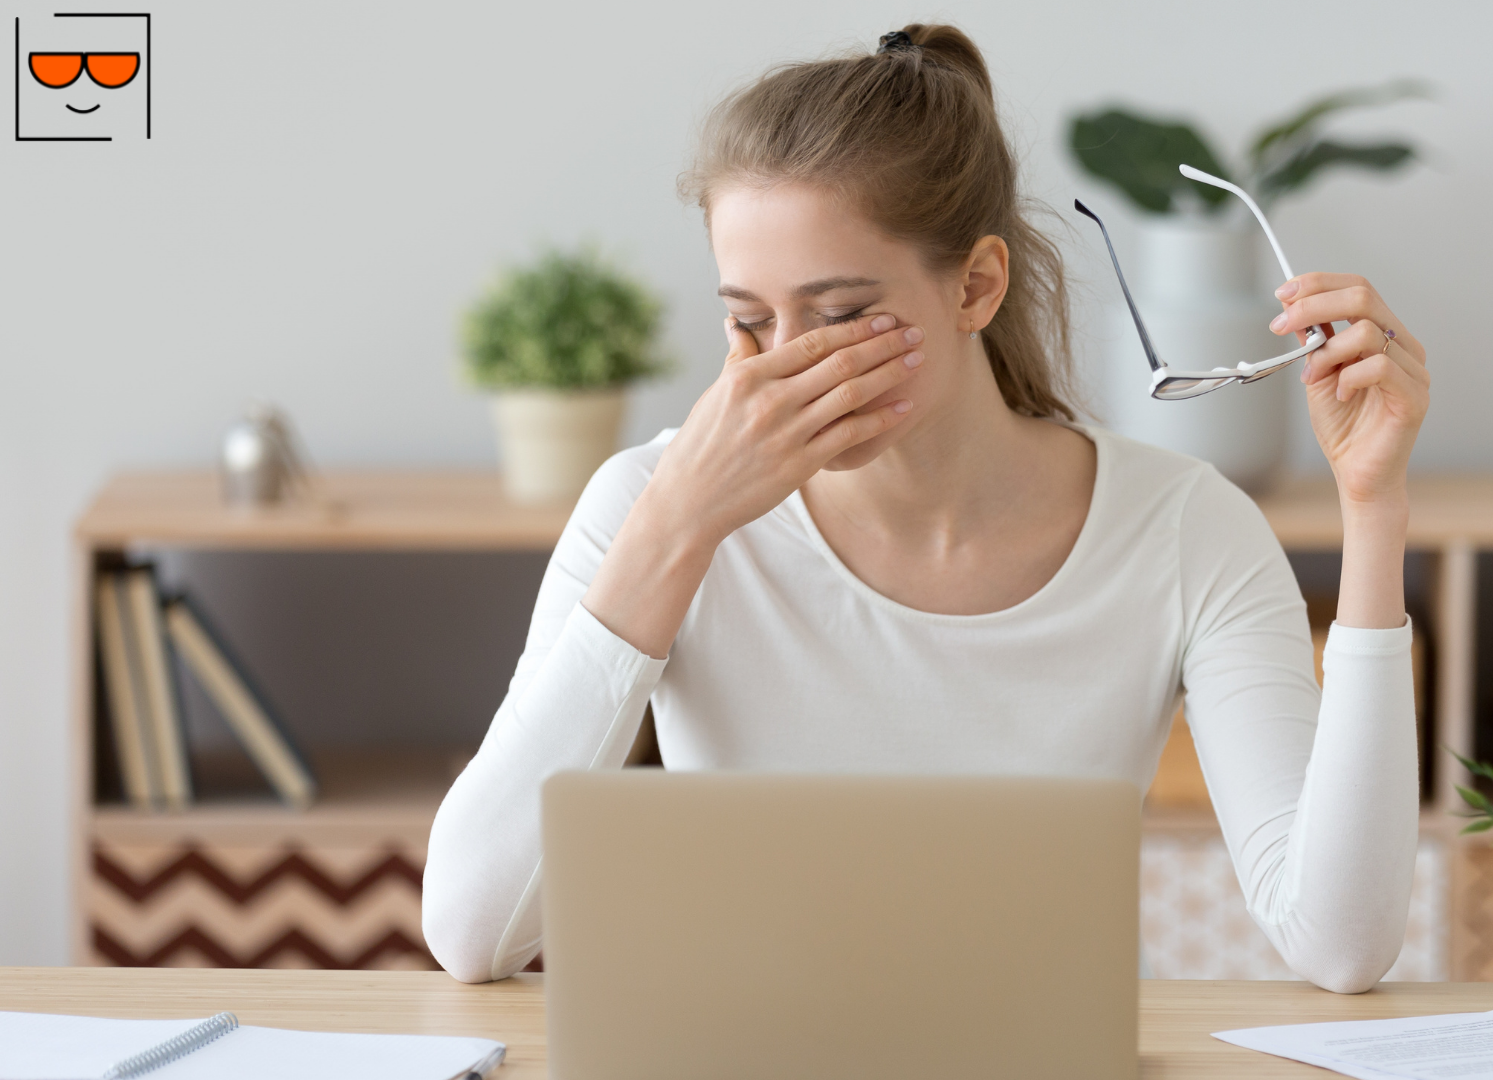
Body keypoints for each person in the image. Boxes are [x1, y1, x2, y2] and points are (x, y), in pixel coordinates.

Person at [423, 23, 1430, 994]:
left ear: (977, 286)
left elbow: (1340, 944)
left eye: (845, 314)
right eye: (747, 320)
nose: (790, 364)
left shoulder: (1182, 529)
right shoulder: (650, 506)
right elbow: (473, 933)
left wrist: (1372, 505)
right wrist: (679, 525)